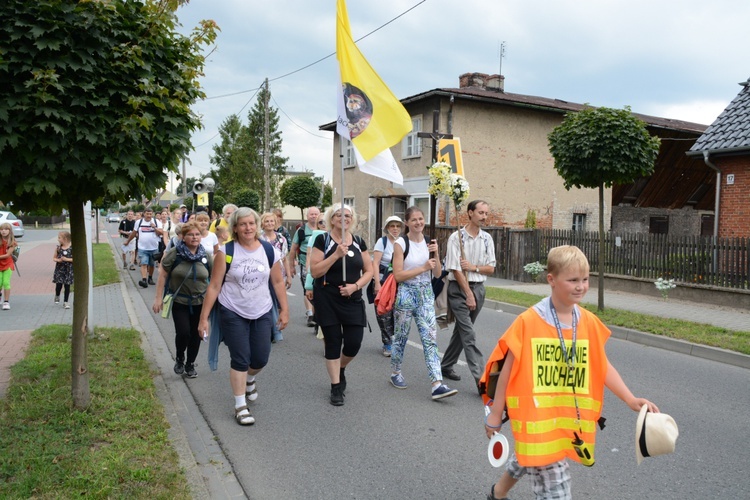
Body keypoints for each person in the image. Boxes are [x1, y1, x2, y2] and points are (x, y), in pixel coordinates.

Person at [483, 245, 660, 500]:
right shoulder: (529, 322)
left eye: (585, 279)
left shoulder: (587, 322)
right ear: (551, 280)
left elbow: (602, 365)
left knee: (529, 455)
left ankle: (497, 494)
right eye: (573, 280)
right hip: (537, 421)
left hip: (565, 422)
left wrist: (630, 398)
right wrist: (495, 414)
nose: (581, 286)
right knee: (556, 489)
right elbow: (507, 372)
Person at [198, 207, 289, 426]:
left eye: (251, 223)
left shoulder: (268, 250)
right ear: (235, 228)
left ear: (256, 225)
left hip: (262, 309)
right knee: (240, 357)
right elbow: (215, 285)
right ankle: (240, 405)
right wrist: (204, 318)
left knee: (260, 358)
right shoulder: (226, 251)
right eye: (242, 224)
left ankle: (250, 378)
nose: (248, 228)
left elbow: (277, 282)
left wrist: (285, 309)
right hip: (233, 310)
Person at [389, 206, 457, 400]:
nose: (418, 222)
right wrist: (422, 267)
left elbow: (437, 274)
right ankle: (395, 372)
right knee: (401, 337)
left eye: (421, 219)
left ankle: (437, 383)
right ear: (407, 223)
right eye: (414, 220)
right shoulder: (401, 243)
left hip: (426, 294)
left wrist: (434, 254)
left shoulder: (429, 242)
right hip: (406, 293)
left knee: (430, 339)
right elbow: (398, 275)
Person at [309, 203, 373, 406]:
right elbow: (315, 271)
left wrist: (355, 286)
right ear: (331, 218)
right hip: (327, 297)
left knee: (354, 343)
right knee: (333, 342)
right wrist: (335, 255)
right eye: (339, 215)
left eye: (347, 215)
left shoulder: (359, 241)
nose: (343, 218)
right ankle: (336, 386)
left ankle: (341, 368)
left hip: (352, 297)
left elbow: (369, 271)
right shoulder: (322, 239)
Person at [441, 200, 496, 391]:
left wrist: (473, 267)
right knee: (469, 334)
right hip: (459, 290)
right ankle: (482, 381)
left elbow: (491, 268)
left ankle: (446, 365)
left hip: (479, 288)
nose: (484, 216)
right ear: (470, 213)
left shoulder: (487, 239)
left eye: (486, 213)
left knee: (463, 331)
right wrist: (468, 294)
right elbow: (455, 269)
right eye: (480, 212)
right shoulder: (456, 238)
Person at [152, 221, 212, 379]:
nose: (194, 237)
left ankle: (190, 364)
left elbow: (215, 280)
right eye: (190, 234)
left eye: (197, 234)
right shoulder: (175, 253)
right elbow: (163, 275)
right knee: (184, 332)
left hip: (200, 303)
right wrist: (158, 298)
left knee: (197, 334)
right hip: (180, 301)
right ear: (183, 237)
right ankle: (180, 358)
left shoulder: (206, 255)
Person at [372, 215, 403, 357]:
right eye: (392, 226)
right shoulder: (382, 241)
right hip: (383, 282)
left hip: (399, 282)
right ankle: (387, 343)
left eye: (397, 226)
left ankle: (396, 340)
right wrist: (377, 283)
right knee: (384, 313)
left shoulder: (404, 242)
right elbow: (375, 263)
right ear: (387, 228)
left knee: (398, 314)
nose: (395, 229)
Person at [260, 212, 292, 342]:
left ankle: (277, 327)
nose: (269, 224)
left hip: (280, 274)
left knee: (279, 302)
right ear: (262, 223)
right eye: (267, 221)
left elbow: (285, 259)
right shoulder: (259, 238)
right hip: (264, 275)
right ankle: (269, 330)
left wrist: (289, 276)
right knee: (267, 302)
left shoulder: (281, 239)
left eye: (272, 221)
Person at [287, 206, 320, 327]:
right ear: (307, 216)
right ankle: (310, 313)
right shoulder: (301, 231)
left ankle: (318, 312)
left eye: (316, 214)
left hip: (321, 263)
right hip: (305, 263)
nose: (314, 216)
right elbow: (293, 249)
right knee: (308, 287)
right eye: (311, 214)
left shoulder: (324, 229)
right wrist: (291, 266)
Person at [124, 207, 164, 288]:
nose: (149, 216)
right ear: (144, 214)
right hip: (142, 248)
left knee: (152, 264)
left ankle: (150, 278)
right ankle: (144, 280)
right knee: (144, 264)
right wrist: (128, 241)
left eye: (150, 214)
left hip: (154, 247)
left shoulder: (157, 222)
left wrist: (154, 227)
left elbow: (161, 233)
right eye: (147, 214)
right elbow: (134, 233)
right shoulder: (139, 222)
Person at [52, 231, 74, 309]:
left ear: (65, 239)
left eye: (59, 237)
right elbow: (54, 258)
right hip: (60, 270)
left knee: (67, 286)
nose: (58, 239)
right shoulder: (58, 248)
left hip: (68, 270)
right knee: (59, 285)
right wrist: (59, 260)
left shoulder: (72, 248)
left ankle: (66, 302)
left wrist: (66, 259)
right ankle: (57, 295)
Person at [0, 222, 19, 310]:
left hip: (7, 264)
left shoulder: (12, 242)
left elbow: (7, 255)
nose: (3, 231)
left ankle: (6, 302)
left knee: (6, 282)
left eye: (6, 229)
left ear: (10, 231)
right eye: (1, 229)